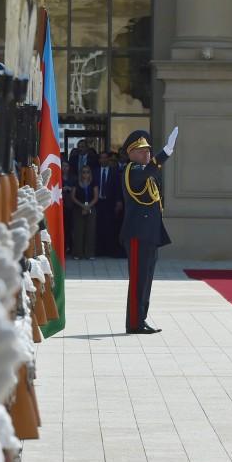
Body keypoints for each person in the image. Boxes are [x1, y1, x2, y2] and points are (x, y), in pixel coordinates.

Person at [121, 126, 179, 334]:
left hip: (149, 234)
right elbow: (149, 170)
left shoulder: (146, 174)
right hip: (138, 234)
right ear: (131, 153)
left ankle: (140, 318)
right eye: (142, 151)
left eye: (148, 150)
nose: (147, 153)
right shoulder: (133, 171)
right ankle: (134, 323)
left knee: (146, 280)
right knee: (139, 280)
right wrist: (166, 152)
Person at [95, 151, 122, 256]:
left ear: (108, 159)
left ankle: (110, 250)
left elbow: (118, 188)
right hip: (98, 202)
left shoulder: (114, 172)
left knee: (110, 227)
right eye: (101, 158)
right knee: (99, 226)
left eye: (105, 158)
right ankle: (99, 251)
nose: (103, 160)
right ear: (99, 160)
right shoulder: (95, 171)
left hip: (110, 202)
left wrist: (119, 201)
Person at [70, 165, 98, 260]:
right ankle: (78, 253)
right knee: (79, 231)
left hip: (91, 208)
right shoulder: (76, 182)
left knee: (90, 231)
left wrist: (88, 206)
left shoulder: (93, 183)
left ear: (90, 173)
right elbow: (73, 197)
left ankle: (90, 253)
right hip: (78, 209)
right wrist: (83, 206)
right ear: (81, 173)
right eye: (83, 172)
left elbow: (96, 197)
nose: (85, 174)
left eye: (87, 172)